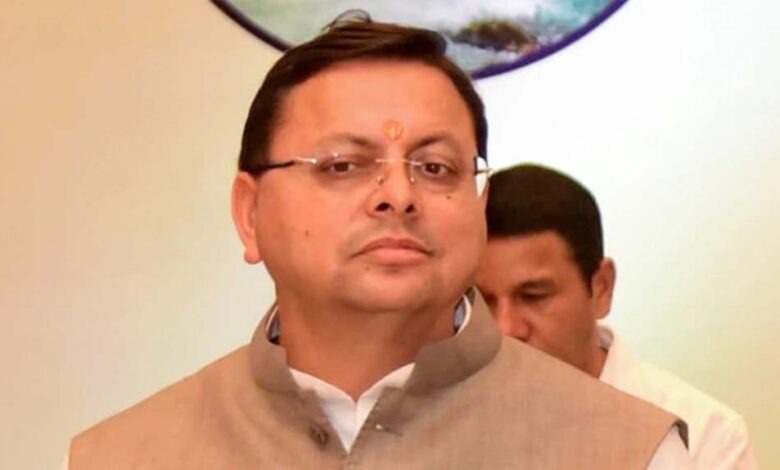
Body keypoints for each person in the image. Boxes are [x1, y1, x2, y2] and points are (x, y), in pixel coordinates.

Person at [65, 15, 691, 469]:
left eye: (436, 167)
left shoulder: (628, 451)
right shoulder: (124, 456)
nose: (398, 194)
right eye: (342, 165)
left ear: (478, 209)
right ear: (250, 214)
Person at [476, 163, 757, 469]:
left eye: (533, 297)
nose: (505, 328)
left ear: (601, 288)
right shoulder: (449, 420)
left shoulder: (708, 440)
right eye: (484, 301)